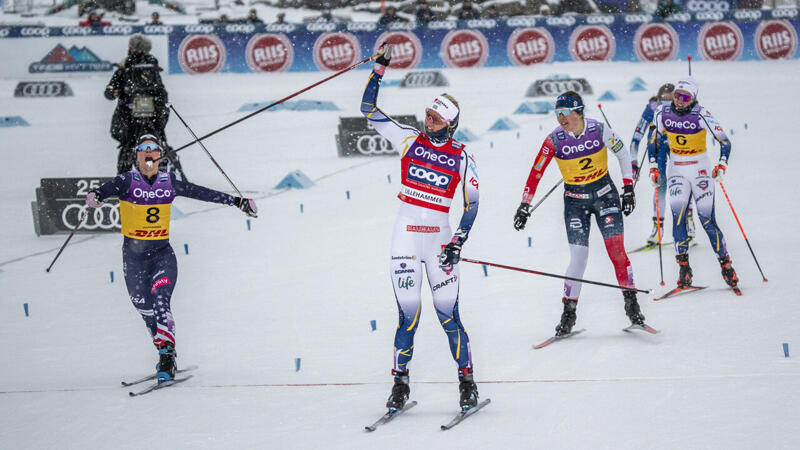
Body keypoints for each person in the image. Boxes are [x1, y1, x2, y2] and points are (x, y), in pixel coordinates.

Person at [360, 44, 481, 411]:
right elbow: (368, 110)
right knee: (408, 316)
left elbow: (472, 204)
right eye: (428, 115)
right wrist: (379, 69)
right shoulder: (409, 138)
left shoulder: (462, 156)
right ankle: (400, 384)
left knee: (449, 316)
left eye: (437, 119)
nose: (430, 122)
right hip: (406, 237)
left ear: (452, 124)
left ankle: (467, 382)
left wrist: (458, 241)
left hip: (440, 241)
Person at [84, 135, 257, 382]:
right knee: (144, 308)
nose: (148, 152)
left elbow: (202, 192)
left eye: (153, 149)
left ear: (159, 155)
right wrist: (96, 196)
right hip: (133, 260)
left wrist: (237, 201)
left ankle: (166, 356)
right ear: (137, 156)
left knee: (160, 300)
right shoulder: (127, 180)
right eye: (142, 149)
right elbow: (104, 191)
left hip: (161, 256)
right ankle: (164, 348)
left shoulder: (169, 183)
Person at [514, 91, 647, 336]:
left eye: (565, 113)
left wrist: (628, 188)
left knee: (616, 251)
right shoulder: (553, 140)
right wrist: (525, 205)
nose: (561, 118)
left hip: (605, 195)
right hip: (575, 201)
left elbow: (623, 153)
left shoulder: (598, 129)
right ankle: (568, 316)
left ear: (578, 112)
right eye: (557, 114)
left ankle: (633, 307)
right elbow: (536, 172)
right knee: (578, 257)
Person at [649, 76, 739, 291]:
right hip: (677, 169)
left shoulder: (701, 114)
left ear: (693, 98)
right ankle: (684, 268)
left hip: (700, 169)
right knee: (678, 217)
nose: (680, 101)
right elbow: (654, 139)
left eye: (686, 97)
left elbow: (724, 141)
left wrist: (722, 165)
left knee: (706, 219)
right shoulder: (662, 112)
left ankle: (726, 265)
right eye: (678, 96)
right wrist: (653, 166)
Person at [104, 34, 182, 178]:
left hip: (141, 115)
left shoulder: (141, 66)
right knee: (151, 142)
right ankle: (161, 174)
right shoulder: (133, 67)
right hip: (136, 113)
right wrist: (112, 91)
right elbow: (109, 89)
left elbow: (159, 91)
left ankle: (126, 178)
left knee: (129, 145)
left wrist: (113, 91)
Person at [630, 83, 696, 248]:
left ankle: (688, 224)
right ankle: (657, 230)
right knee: (660, 187)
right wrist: (634, 161)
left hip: (677, 150)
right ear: (658, 101)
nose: (667, 105)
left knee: (682, 185)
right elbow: (636, 136)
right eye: (663, 101)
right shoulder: (652, 109)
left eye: (670, 101)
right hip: (657, 150)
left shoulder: (682, 107)